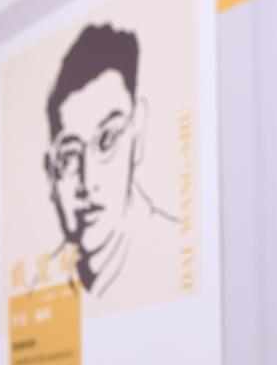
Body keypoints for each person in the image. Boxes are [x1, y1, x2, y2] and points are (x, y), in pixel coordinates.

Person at [39, 22, 179, 306]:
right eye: (69, 157)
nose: (87, 183)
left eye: (106, 141)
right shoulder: (39, 287)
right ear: (51, 173)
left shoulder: (174, 249)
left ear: (137, 133)